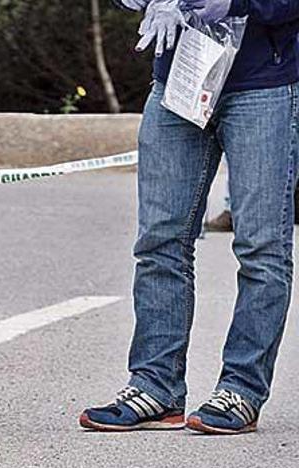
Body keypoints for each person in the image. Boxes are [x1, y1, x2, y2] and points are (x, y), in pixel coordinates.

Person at [82, 0, 299, 434]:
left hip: (263, 85)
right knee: (159, 241)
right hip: (180, 76)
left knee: (262, 247)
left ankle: (241, 388)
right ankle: (155, 387)